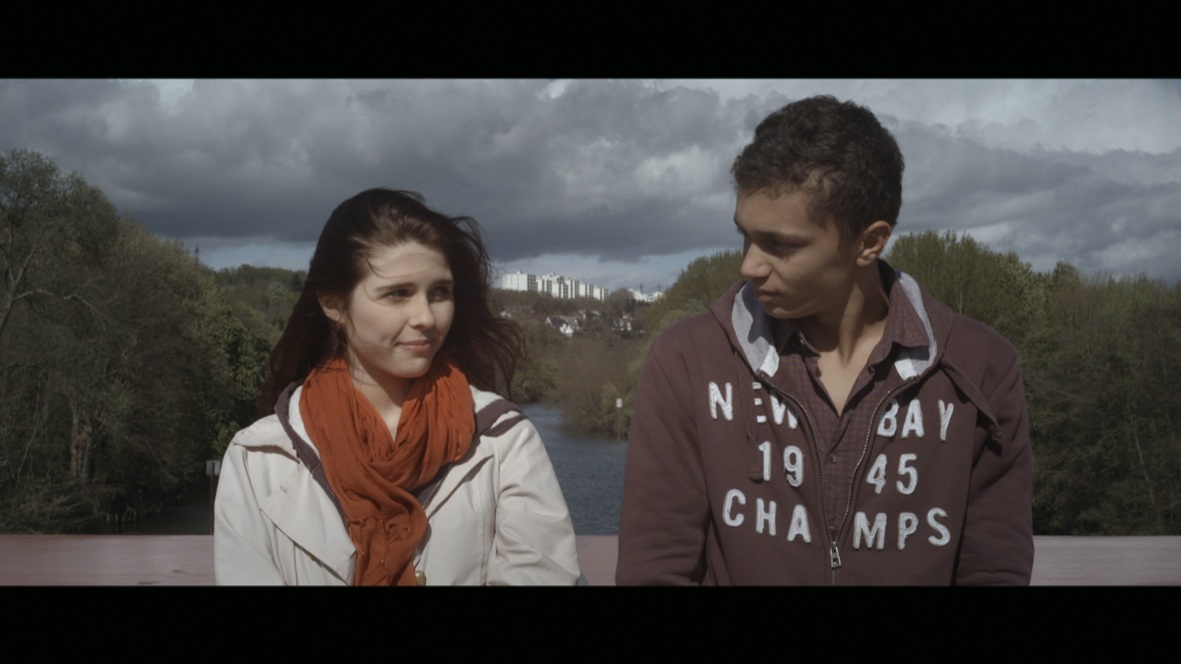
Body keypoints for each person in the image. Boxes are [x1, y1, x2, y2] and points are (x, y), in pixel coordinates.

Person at [616, 95, 1034, 585]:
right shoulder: (689, 361)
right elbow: (656, 568)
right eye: (745, 236)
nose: (749, 265)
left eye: (779, 244)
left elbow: (994, 569)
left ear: (868, 242)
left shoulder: (980, 368)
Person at [215, 188, 581, 585]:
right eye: (397, 294)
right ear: (333, 304)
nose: (426, 317)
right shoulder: (259, 458)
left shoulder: (504, 441)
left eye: (440, 292)